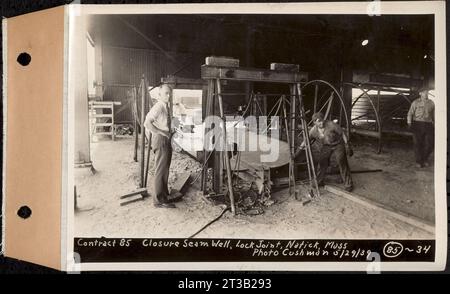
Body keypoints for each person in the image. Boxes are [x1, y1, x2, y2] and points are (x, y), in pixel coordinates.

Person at [300, 112, 354, 192]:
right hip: (327, 146)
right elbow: (306, 140)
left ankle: (348, 184)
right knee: (322, 161)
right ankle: (319, 181)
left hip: (338, 144)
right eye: (318, 121)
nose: (321, 123)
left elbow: (342, 133)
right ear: (314, 122)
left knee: (341, 161)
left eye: (321, 121)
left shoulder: (331, 125)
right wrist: (300, 148)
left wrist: (347, 144)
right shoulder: (313, 130)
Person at [144, 84, 176, 208]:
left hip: (166, 139)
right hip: (161, 139)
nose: (169, 96)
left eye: (170, 93)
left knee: (165, 168)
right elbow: (147, 123)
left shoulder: (165, 106)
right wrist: (162, 132)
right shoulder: (158, 107)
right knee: (160, 170)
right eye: (166, 93)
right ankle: (158, 200)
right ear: (159, 95)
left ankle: (163, 195)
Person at [407, 87, 435, 168]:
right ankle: (419, 161)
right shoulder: (415, 102)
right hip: (417, 124)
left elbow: (434, 115)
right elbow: (410, 113)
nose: (426, 94)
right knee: (418, 144)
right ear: (420, 93)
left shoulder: (431, 103)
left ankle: (425, 159)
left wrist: (435, 124)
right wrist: (409, 123)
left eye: (427, 92)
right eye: (424, 92)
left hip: (428, 124)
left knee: (430, 143)